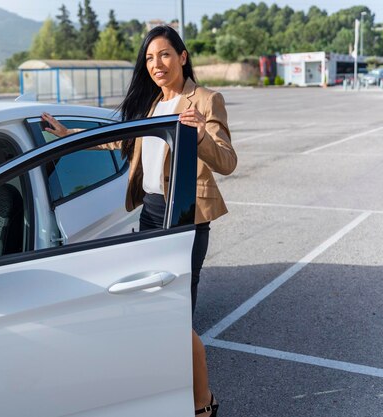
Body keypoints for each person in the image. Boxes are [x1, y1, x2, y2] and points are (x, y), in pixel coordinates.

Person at [41, 25, 236, 417]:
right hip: (150, 212)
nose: (156, 64)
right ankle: (166, 386)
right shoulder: (151, 104)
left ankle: (203, 402)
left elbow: (227, 161)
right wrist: (68, 135)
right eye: (149, 58)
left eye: (164, 55)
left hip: (185, 216)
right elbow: (121, 141)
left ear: (182, 57)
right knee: (152, 307)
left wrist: (197, 135)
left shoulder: (205, 99)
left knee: (177, 312)